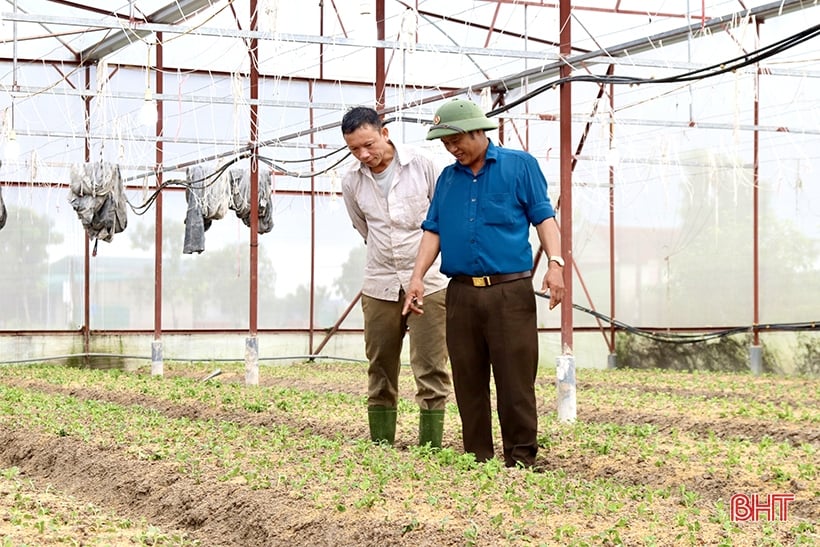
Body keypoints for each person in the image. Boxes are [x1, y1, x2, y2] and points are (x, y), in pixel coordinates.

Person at [402, 98, 565, 468]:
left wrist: (555, 263)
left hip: (509, 292)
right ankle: (479, 458)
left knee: (515, 379)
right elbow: (433, 231)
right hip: (460, 292)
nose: (452, 148)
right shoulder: (447, 179)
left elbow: (544, 217)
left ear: (479, 131)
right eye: (445, 143)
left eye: (456, 139)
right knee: (467, 379)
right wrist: (416, 278)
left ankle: (522, 458)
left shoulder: (519, 167)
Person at [340, 106, 452, 448]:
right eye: (355, 149)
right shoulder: (352, 181)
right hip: (380, 283)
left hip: (430, 282)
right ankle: (381, 446)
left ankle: (430, 448)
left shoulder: (423, 166)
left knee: (431, 365)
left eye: (369, 144)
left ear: (384, 132)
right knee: (380, 365)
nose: (364, 155)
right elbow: (364, 229)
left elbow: (443, 218)